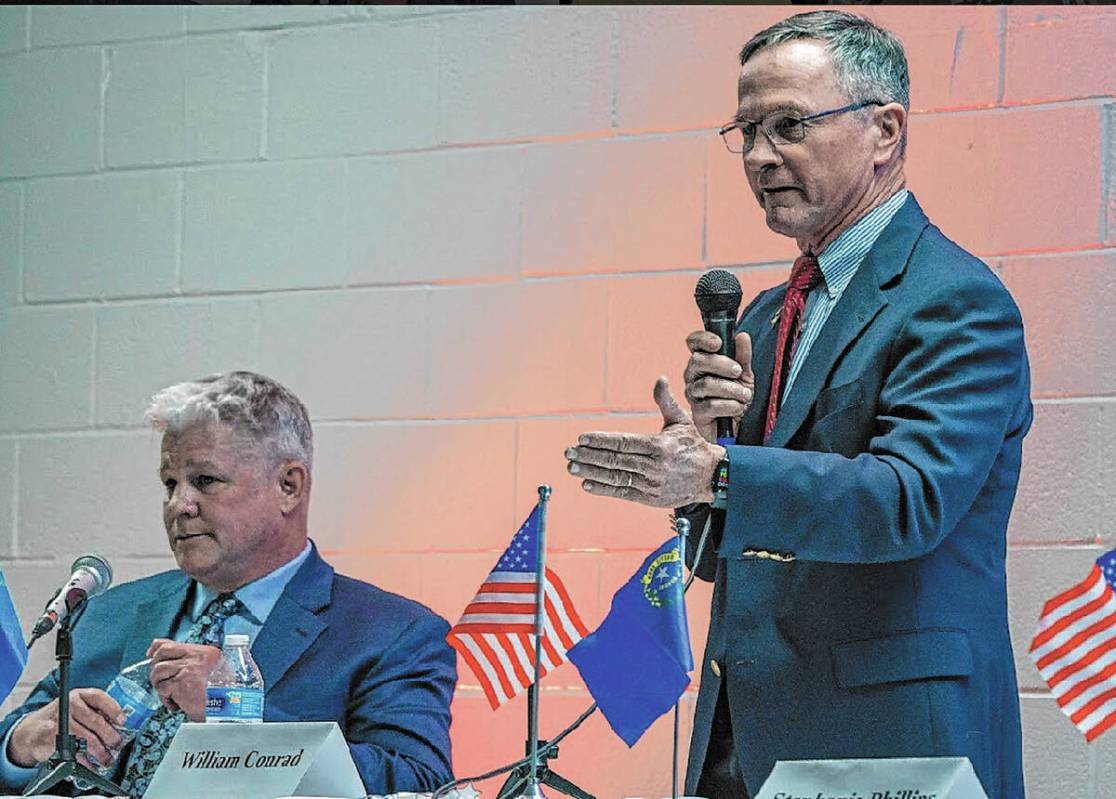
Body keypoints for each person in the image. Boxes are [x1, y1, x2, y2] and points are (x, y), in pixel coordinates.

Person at [564, 11, 1029, 799]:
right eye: (744, 131)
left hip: (889, 743)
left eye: (787, 125)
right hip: (742, 742)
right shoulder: (763, 316)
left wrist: (721, 475)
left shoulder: (956, 301)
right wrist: (708, 459)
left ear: (885, 130)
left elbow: (908, 500)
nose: (757, 156)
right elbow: (727, 559)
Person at [0, 371, 456, 795]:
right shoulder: (107, 612)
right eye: (169, 483)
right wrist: (22, 744)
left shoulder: (393, 634)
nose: (179, 505)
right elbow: (11, 745)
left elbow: (418, 782)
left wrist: (235, 718)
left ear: (289, 487)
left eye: (205, 481)